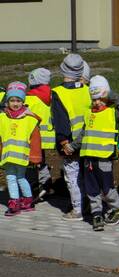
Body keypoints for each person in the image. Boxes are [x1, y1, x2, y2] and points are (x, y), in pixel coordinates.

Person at [76, 75, 119, 231]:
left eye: (100, 98)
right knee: (91, 188)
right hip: (88, 158)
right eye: (94, 99)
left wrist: (108, 94)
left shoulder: (113, 112)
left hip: (104, 158)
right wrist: (73, 146)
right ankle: (96, 214)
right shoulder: (88, 113)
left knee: (107, 188)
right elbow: (83, 134)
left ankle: (118, 208)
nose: (97, 102)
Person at [51, 53, 92, 221]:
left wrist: (63, 141)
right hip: (87, 141)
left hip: (69, 143)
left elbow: (60, 119)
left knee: (72, 176)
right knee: (86, 174)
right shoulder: (87, 90)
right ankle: (88, 203)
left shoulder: (58, 92)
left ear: (62, 70)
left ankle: (77, 209)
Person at [0, 82, 42, 216]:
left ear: (23, 101)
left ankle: (19, 202)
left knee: (19, 177)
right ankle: (22, 201)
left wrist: (35, 157)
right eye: (12, 100)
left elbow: (35, 139)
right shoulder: (3, 118)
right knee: (13, 177)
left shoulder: (29, 119)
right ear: (7, 101)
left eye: (18, 100)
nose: (15, 103)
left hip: (22, 155)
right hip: (8, 155)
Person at [25, 68, 54, 200]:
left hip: (34, 136)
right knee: (40, 159)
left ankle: (35, 187)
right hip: (49, 136)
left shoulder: (29, 99)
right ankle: (45, 182)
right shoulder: (52, 96)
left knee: (32, 161)